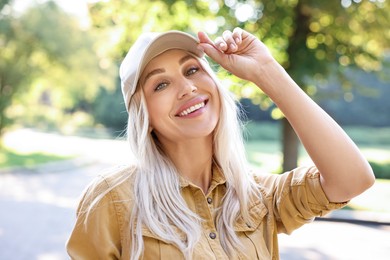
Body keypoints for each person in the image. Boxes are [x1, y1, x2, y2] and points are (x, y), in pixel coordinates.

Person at [66, 28, 375, 259]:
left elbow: (353, 179)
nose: (187, 87)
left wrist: (267, 72)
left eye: (192, 70)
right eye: (161, 84)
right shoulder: (111, 200)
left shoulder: (257, 196)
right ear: (143, 113)